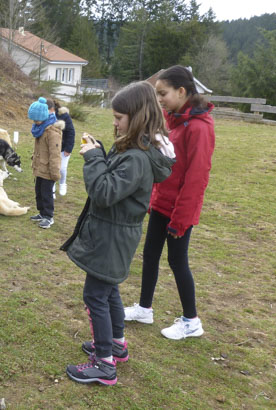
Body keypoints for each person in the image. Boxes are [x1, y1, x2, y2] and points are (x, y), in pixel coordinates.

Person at [60, 82, 175, 385]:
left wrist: (94, 158)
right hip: (116, 233)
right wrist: (101, 152)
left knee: (94, 295)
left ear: (137, 118)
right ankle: (116, 345)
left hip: (112, 236)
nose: (114, 122)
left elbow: (104, 191)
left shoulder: (137, 158)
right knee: (109, 289)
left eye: (119, 118)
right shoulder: (136, 150)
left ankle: (104, 363)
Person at [124, 65, 215, 340]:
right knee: (150, 255)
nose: (160, 98)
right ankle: (144, 308)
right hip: (162, 203)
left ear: (182, 91)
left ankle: (191, 320)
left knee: (177, 261)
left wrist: (181, 219)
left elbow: (196, 178)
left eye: (163, 93)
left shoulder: (199, 128)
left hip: (180, 211)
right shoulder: (173, 120)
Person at [27, 97, 63, 229]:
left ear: (43, 116)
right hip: (40, 167)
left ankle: (49, 216)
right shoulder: (40, 128)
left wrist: (55, 172)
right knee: (39, 192)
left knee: (47, 193)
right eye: (33, 120)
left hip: (48, 170)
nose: (35, 122)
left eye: (36, 120)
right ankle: (42, 213)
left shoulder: (52, 132)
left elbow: (55, 154)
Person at [52, 99, 75, 197]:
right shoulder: (45, 116)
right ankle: (51, 188)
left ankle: (62, 183)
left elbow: (71, 132)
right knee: (52, 168)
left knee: (62, 168)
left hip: (63, 147)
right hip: (52, 147)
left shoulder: (64, 116)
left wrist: (68, 148)